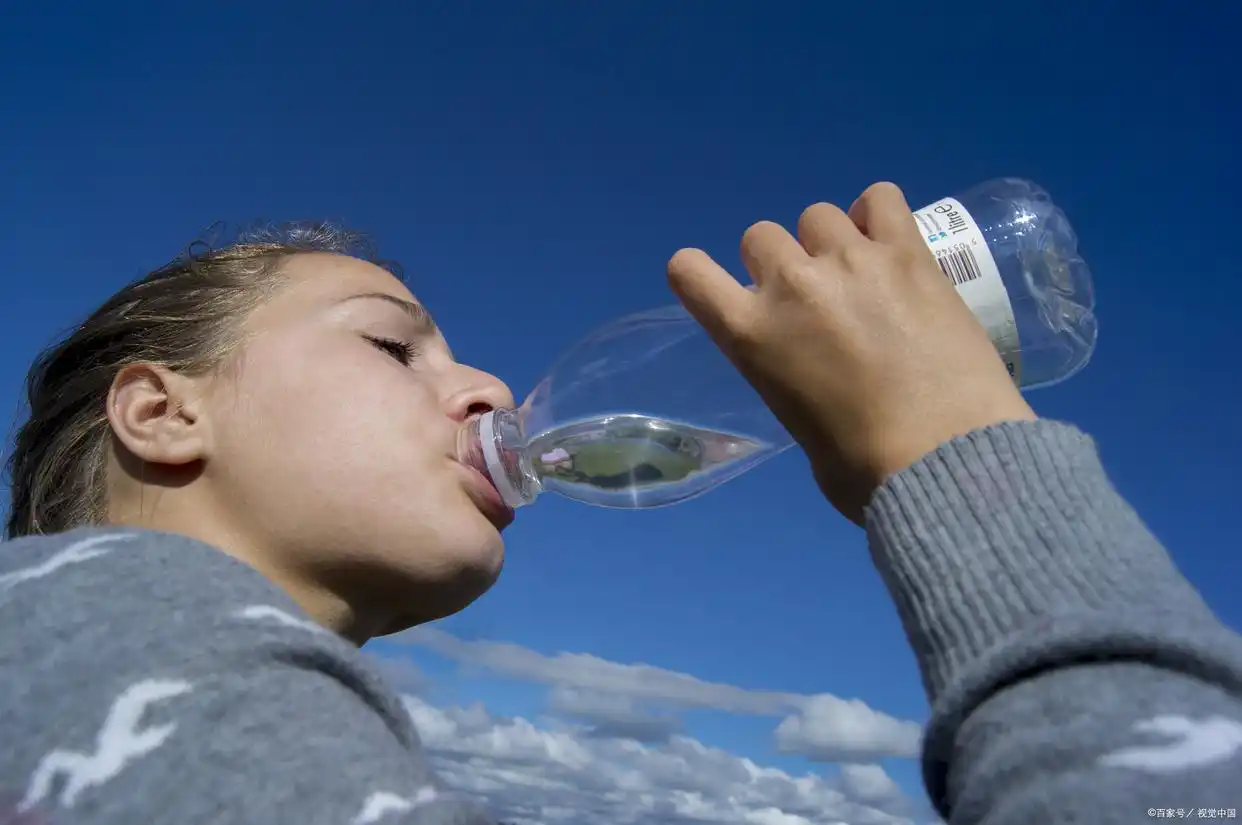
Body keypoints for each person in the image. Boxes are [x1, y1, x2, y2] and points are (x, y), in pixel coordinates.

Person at [0, 183, 1238, 824]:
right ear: (163, 414)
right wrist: (958, 455)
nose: (488, 389)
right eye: (392, 346)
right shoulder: (102, 651)